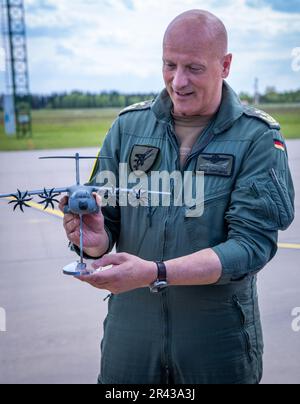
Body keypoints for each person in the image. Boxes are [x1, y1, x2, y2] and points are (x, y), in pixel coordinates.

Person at [60, 9, 295, 384]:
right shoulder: (128, 128)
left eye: (194, 68)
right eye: (169, 65)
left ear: (226, 65)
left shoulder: (258, 137)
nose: (178, 81)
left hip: (217, 343)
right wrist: (92, 239)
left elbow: (251, 245)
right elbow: (104, 233)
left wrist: (156, 273)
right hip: (130, 341)